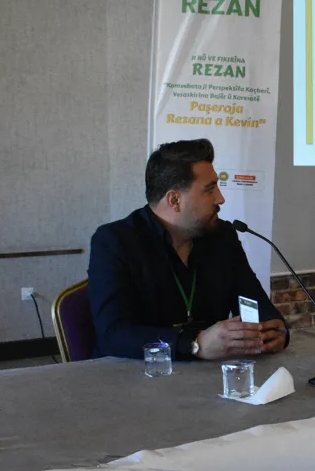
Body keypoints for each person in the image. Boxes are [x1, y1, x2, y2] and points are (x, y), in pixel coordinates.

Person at [87, 138, 288, 360]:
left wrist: (274, 331)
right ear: (174, 200)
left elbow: (256, 304)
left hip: (211, 375)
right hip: (139, 373)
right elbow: (114, 335)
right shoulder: (114, 241)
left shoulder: (222, 236)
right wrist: (195, 343)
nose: (220, 198)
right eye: (209, 189)